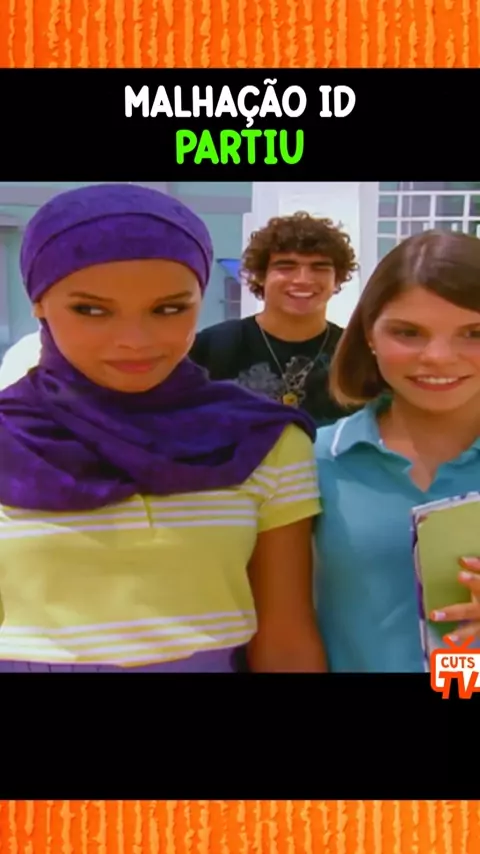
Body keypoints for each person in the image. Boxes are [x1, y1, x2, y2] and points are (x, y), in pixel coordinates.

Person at [0, 183, 326, 674]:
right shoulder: (9, 434)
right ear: (39, 302)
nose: (134, 340)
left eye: (169, 308)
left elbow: (285, 642)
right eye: (91, 309)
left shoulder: (263, 440)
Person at [314, 229, 480, 672]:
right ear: (369, 334)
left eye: (474, 332)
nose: (439, 356)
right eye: (408, 332)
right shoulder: (315, 461)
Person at [190, 212, 359, 427]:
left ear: (337, 279)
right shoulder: (209, 348)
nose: (303, 279)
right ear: (261, 276)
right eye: (286, 267)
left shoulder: (356, 355)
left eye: (319, 267)